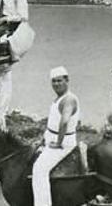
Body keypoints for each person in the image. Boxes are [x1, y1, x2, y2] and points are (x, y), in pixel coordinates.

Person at [32, 66, 79, 206]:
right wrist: (43, 139)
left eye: (59, 81)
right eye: (53, 81)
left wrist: (59, 143)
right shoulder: (59, 98)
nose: (56, 84)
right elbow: (53, 122)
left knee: (39, 169)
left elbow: (64, 122)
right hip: (52, 139)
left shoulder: (69, 99)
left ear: (67, 80)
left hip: (64, 143)